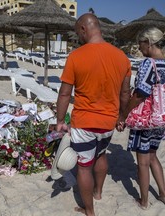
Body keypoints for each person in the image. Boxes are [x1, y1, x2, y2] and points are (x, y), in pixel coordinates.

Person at [56, 13, 131, 216]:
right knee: (100, 155)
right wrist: (121, 117)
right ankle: (97, 192)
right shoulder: (122, 57)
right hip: (108, 123)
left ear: (83, 29)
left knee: (83, 167)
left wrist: (60, 121)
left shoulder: (76, 56)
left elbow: (64, 93)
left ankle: (89, 210)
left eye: (77, 33)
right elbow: (125, 94)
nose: (78, 38)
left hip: (84, 122)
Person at [117, 27, 165, 210]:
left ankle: (144, 201)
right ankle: (162, 193)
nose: (140, 47)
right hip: (161, 118)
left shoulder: (148, 64)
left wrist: (124, 114)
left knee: (143, 161)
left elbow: (140, 94)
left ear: (149, 43)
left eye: (141, 43)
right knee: (153, 156)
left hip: (146, 119)